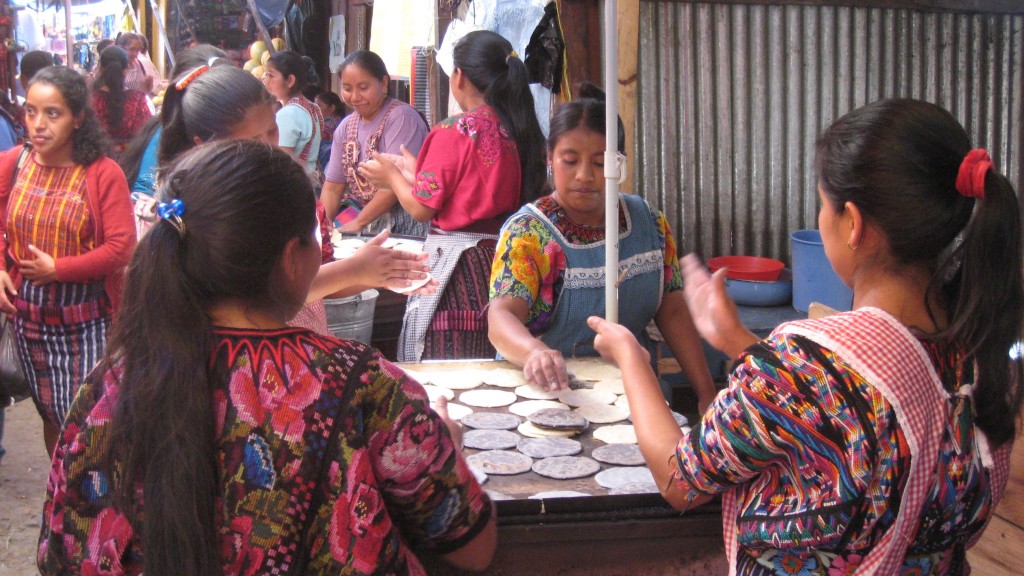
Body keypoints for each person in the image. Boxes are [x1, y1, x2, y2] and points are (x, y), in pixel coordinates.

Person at [589, 98, 1022, 574]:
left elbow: (680, 479)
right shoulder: (981, 354)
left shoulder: (805, 361)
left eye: (823, 205)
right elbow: (843, 412)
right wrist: (740, 342)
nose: (821, 218)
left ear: (853, 224)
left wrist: (631, 356)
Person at [37, 140, 496, 575]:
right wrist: (446, 448)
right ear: (291, 259)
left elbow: (59, 552)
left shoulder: (109, 386)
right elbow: (474, 550)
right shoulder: (363, 385)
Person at [488, 86, 716, 410]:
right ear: (549, 157)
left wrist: (706, 392)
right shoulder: (528, 234)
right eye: (570, 160)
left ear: (618, 163)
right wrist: (533, 352)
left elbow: (674, 312)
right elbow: (501, 317)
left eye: (599, 163)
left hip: (631, 392)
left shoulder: (650, 224)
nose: (584, 175)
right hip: (546, 394)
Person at [360, 30, 546, 361]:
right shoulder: (520, 128)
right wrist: (414, 171)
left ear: (458, 76)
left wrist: (391, 175)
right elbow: (467, 190)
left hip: (459, 270)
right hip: (505, 263)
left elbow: (421, 207)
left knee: (451, 369)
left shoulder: (454, 130)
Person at [0, 66, 135, 456]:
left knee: (92, 417)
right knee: (52, 415)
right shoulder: (14, 164)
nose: (38, 124)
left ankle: (92, 504)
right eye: (30, 112)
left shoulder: (101, 173)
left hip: (87, 320)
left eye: (52, 113)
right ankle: (61, 496)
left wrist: (59, 269)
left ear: (78, 118)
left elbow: (121, 247)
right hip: (30, 322)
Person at [321, 50, 429, 236]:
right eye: (347, 88)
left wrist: (358, 223)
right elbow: (332, 187)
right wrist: (323, 226)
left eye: (363, 88)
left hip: (408, 223)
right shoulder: (345, 127)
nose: (354, 97)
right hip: (370, 224)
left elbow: (394, 185)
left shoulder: (401, 117)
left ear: (384, 83)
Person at [262, 50, 323, 178]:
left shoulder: (288, 114)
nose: (265, 80)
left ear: (290, 80)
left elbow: (281, 162)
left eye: (271, 75)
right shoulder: (313, 107)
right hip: (311, 179)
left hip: (295, 183)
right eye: (265, 75)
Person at [91, 46, 152, 160]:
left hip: (97, 160)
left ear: (101, 68)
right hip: (130, 162)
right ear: (126, 68)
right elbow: (146, 132)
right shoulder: (137, 99)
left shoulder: (90, 99)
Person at [314, 89, 342, 174]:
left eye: (319, 105)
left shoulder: (331, 124)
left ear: (332, 107)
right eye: (314, 105)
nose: (315, 108)